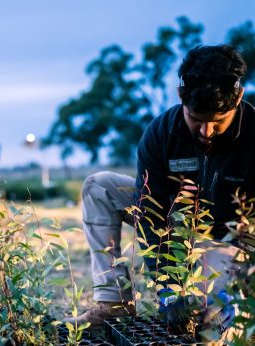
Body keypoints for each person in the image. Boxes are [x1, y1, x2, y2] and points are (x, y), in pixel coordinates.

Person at [65, 44, 254, 328]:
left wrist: (242, 283)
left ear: (238, 97)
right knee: (99, 187)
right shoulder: (160, 133)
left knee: (209, 322)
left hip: (228, 241)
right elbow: (149, 214)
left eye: (218, 122)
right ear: (181, 96)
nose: (206, 133)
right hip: (173, 227)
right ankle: (114, 302)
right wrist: (167, 284)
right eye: (196, 120)